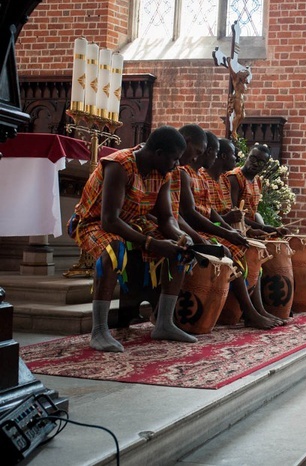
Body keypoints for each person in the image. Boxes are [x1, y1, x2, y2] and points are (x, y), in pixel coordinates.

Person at [70, 126, 196, 352]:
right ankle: (99, 330)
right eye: (174, 159)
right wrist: (151, 243)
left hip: (133, 221)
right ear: (158, 153)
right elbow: (109, 220)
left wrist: (181, 237)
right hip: (92, 222)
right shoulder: (120, 165)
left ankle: (164, 323)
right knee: (114, 250)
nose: (177, 164)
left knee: (180, 250)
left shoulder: (163, 173)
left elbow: (166, 218)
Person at [177, 126, 282, 329]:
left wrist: (232, 230)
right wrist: (227, 230)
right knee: (234, 250)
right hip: (194, 230)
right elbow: (190, 214)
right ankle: (248, 311)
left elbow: (210, 212)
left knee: (251, 249)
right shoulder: (192, 174)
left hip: (209, 228)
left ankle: (254, 309)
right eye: (211, 153)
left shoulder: (203, 176)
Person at [226, 143, 288, 237]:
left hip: (251, 229)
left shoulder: (257, 180)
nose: (255, 163)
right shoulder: (234, 178)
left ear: (265, 166)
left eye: (260, 162)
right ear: (247, 157)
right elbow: (233, 215)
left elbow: (253, 212)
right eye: (253, 158)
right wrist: (262, 227)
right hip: (236, 230)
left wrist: (267, 228)